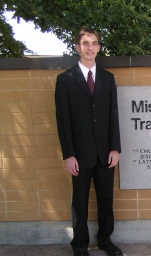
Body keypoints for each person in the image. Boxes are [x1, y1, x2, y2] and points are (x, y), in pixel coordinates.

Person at [55, 27, 122, 256]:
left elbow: (113, 115)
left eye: (94, 43)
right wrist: (68, 154)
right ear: (77, 47)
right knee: (80, 202)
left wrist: (115, 148)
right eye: (85, 43)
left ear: (99, 47)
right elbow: (63, 121)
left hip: (105, 153)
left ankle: (105, 240)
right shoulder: (65, 80)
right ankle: (80, 245)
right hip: (79, 154)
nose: (90, 47)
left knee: (106, 199)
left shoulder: (108, 78)